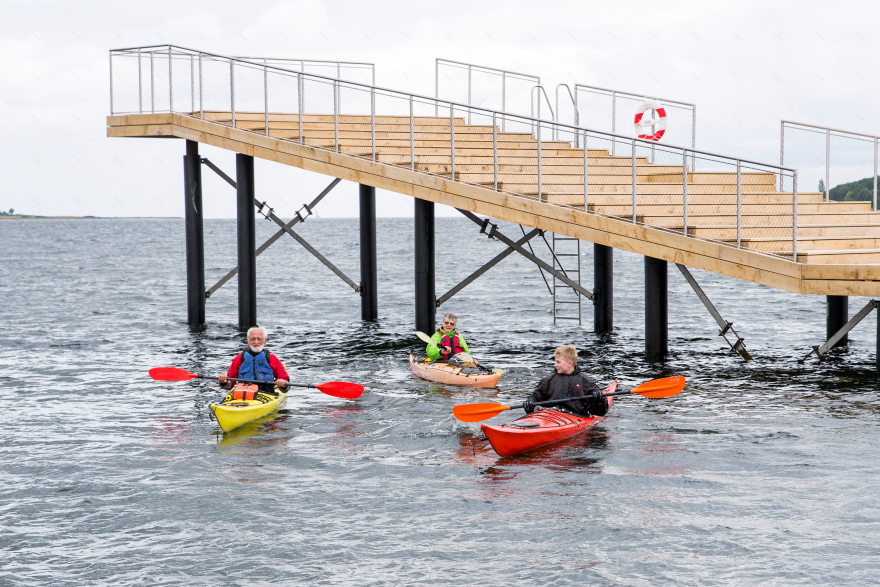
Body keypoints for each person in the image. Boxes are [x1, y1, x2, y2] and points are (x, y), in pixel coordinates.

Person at [522, 345, 609, 417]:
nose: (555, 365)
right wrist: (530, 402)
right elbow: (536, 397)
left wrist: (599, 399)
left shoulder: (585, 381)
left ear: (569, 363)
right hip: (549, 415)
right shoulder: (548, 380)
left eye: (558, 362)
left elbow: (599, 412)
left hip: (575, 416)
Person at [218, 326, 290, 392]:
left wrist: (283, 384)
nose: (256, 342)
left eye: (259, 339)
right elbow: (229, 385)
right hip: (243, 393)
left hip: (267, 394)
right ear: (247, 340)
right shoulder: (238, 358)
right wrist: (224, 382)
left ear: (265, 341)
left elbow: (286, 386)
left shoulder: (272, 358)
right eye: (252, 339)